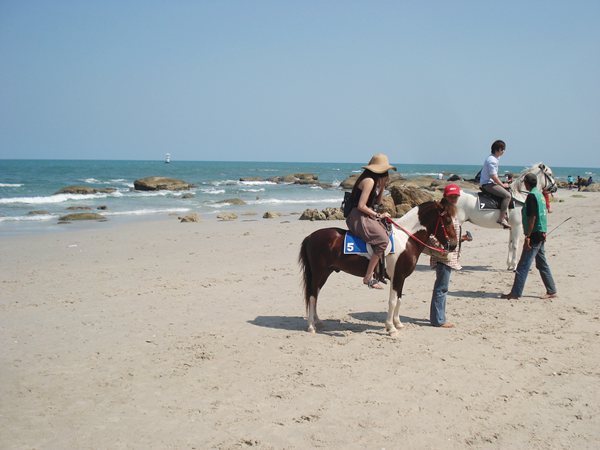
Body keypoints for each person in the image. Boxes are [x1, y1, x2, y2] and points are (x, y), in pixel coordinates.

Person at [501, 173, 557, 300]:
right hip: (541, 233)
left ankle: (515, 293)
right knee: (542, 263)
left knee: (523, 265)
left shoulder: (532, 196)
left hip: (535, 235)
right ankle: (552, 290)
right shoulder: (540, 195)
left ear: (526, 183)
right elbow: (542, 215)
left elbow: (532, 218)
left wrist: (528, 236)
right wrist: (543, 232)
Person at [346, 153, 395, 290]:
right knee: (383, 240)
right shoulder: (369, 181)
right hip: (357, 216)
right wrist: (378, 215)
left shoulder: (374, 182)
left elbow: (377, 202)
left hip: (364, 214)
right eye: (386, 172)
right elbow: (361, 205)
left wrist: (382, 187)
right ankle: (368, 276)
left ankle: (380, 271)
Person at [428, 184, 472, 328]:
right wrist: (443, 248)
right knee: (441, 288)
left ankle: (439, 317)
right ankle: (438, 320)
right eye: (451, 196)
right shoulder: (442, 212)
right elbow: (433, 235)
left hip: (450, 255)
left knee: (441, 287)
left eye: (456, 196)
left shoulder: (451, 211)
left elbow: (449, 235)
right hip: (443, 256)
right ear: (445, 196)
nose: (454, 198)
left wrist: (462, 238)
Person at [480, 140, 512, 228]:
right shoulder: (492, 160)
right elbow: (493, 175)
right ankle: (501, 219)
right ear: (498, 150)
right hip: (487, 184)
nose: (504, 151)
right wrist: (502, 184)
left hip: (490, 182)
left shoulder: (495, 158)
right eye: (503, 149)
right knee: (507, 196)